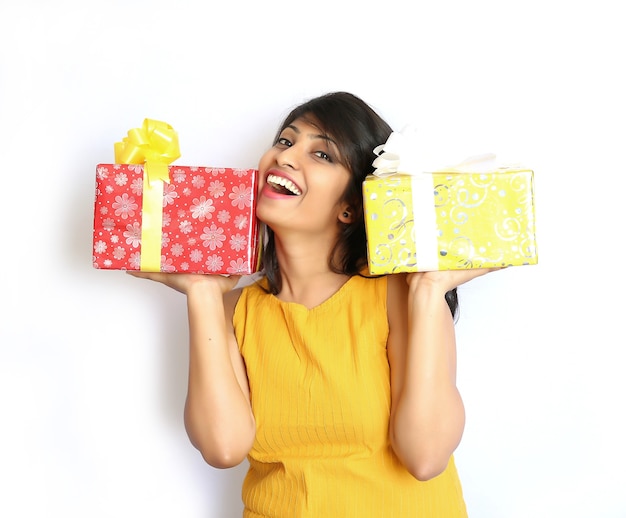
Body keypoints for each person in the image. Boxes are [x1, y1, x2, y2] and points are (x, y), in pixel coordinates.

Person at [129, 91, 497, 517]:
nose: (286, 157)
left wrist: (430, 290)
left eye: (321, 153)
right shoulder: (234, 311)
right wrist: (201, 291)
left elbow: (426, 457)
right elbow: (224, 446)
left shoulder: (402, 295)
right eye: (286, 141)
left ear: (350, 208)